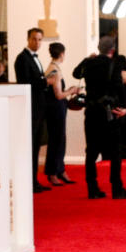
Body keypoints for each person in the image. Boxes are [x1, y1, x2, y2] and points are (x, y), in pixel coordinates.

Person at [72, 36, 126, 200]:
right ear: (112, 50)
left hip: (91, 112)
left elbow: (76, 73)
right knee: (115, 152)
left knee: (91, 152)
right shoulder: (115, 64)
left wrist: (86, 59)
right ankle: (117, 188)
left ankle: (92, 188)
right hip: (108, 113)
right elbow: (120, 88)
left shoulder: (89, 63)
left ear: (98, 48)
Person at [14, 28, 51, 193]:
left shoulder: (34, 58)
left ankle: (34, 181)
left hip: (38, 108)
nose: (37, 43)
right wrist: (45, 82)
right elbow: (26, 83)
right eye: (34, 39)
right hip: (31, 108)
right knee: (31, 146)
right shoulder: (22, 59)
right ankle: (30, 182)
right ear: (28, 39)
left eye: (40, 40)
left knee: (36, 146)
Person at [43, 42, 81, 187]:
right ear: (62, 54)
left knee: (60, 139)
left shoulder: (53, 68)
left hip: (58, 108)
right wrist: (72, 91)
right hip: (55, 108)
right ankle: (53, 172)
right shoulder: (54, 70)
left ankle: (60, 170)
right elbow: (58, 95)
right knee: (56, 140)